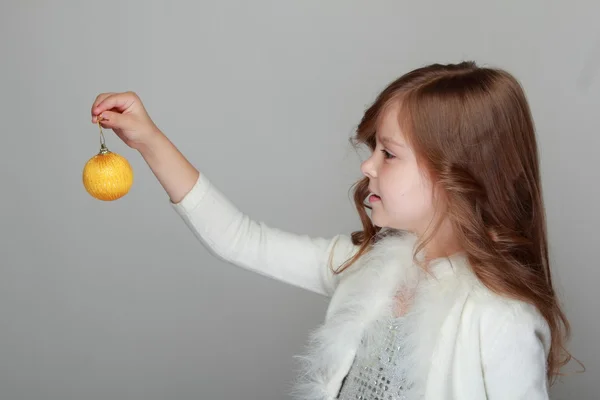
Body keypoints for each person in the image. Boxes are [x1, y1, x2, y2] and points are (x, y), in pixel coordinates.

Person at [90, 61, 571, 400]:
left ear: (456, 173)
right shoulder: (365, 267)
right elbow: (241, 238)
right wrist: (149, 140)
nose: (367, 164)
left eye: (389, 152)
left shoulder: (499, 318)